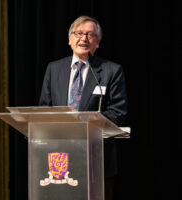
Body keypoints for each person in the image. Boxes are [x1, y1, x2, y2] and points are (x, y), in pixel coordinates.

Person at [39, 16, 128, 200]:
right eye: (79, 33)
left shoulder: (111, 71)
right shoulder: (54, 69)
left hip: (96, 159)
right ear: (70, 39)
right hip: (59, 157)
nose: (84, 38)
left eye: (90, 34)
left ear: (98, 42)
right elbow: (44, 110)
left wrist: (83, 122)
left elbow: (118, 113)